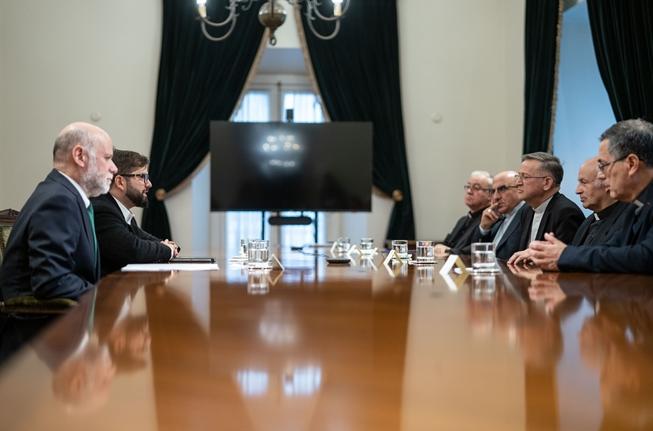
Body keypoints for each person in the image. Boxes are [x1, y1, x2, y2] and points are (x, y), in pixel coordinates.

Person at [0, 122, 117, 300]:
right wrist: (107, 297)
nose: (114, 168)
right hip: (44, 317)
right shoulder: (59, 200)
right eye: (107, 158)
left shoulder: (65, 195)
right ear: (80, 156)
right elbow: (53, 282)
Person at [525, 119, 653, 273]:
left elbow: (646, 257)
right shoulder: (634, 205)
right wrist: (549, 253)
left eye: (603, 166)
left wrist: (567, 255)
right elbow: (612, 249)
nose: (601, 175)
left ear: (631, 164)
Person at [91, 149, 179, 275]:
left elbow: (141, 238)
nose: (149, 184)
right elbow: (133, 249)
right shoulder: (103, 209)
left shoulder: (120, 211)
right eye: (143, 177)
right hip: (105, 287)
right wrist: (168, 250)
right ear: (120, 182)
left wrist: (165, 245)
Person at [508, 152, 584, 263]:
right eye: (518, 176)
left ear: (547, 183)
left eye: (525, 177)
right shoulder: (526, 210)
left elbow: (563, 261)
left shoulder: (566, 212)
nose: (518, 183)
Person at [571, 157, 628, 246]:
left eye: (584, 182)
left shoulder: (626, 222)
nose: (577, 191)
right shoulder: (586, 223)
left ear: (607, 182)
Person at [435, 171, 492, 256]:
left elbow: (472, 251)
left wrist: (448, 251)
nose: (469, 191)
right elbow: (446, 244)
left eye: (476, 188)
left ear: (490, 194)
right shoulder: (462, 220)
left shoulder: (489, 220)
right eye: (468, 186)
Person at [473, 171, 525, 260]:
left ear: (519, 188)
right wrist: (484, 228)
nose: (496, 197)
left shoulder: (528, 215)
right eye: (493, 191)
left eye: (502, 189)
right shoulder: (496, 218)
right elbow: (476, 254)